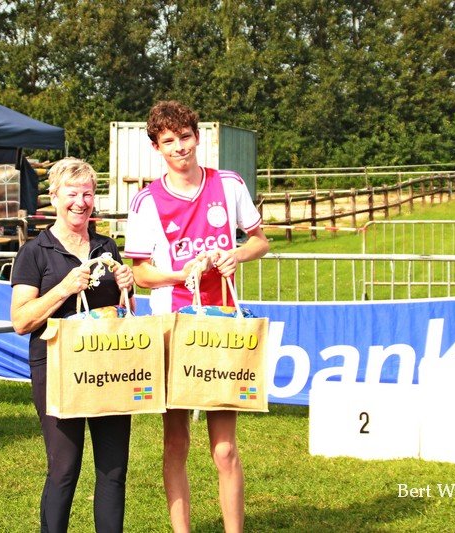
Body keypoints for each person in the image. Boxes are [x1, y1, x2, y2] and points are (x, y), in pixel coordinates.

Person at [124, 100, 270, 533]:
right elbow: (140, 273)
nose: (179, 147)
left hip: (223, 326)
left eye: (185, 137)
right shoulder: (146, 201)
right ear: (157, 147)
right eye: (169, 141)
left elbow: (260, 241)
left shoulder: (229, 184)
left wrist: (236, 254)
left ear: (197, 136)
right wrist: (179, 273)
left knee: (225, 449)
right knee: (176, 443)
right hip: (173, 326)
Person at [10, 157, 135, 533]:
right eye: (72, 194)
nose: (80, 202)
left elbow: (123, 313)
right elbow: (21, 321)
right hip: (57, 370)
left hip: (109, 369)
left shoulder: (106, 246)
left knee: (113, 469)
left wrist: (128, 288)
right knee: (64, 468)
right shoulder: (35, 252)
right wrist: (64, 288)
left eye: (88, 194)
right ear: (53, 197)